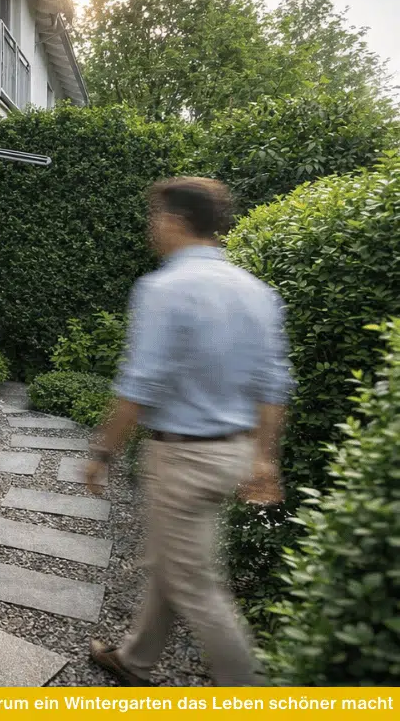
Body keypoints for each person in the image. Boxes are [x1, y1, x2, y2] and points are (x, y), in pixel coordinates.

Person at [85, 176, 293, 687]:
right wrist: (265, 459)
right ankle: (135, 660)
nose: (151, 228)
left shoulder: (164, 288)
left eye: (155, 217)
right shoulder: (257, 293)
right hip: (235, 454)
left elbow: (140, 384)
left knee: (196, 585)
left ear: (175, 221)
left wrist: (103, 452)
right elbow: (273, 386)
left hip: (182, 459)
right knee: (173, 560)